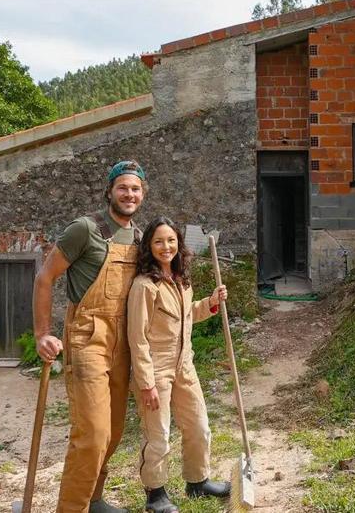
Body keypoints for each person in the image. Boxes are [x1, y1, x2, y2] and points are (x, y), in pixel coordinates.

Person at [33, 160, 147, 513]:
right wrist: (43, 334)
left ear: (143, 195)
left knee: (112, 433)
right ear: (110, 191)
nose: (129, 194)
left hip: (123, 342)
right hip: (87, 338)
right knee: (92, 434)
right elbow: (44, 278)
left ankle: (94, 500)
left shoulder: (141, 238)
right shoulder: (85, 229)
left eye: (136, 189)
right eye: (123, 188)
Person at [126, 216, 232, 513]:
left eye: (171, 240)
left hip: (185, 366)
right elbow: (138, 338)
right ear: (149, 246)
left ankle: (197, 481)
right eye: (158, 241)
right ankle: (156, 495)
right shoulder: (145, 286)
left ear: (178, 243)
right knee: (158, 436)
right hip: (156, 370)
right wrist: (146, 382)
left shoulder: (181, 280)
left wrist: (210, 302)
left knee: (199, 426)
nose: (166, 246)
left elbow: (186, 317)